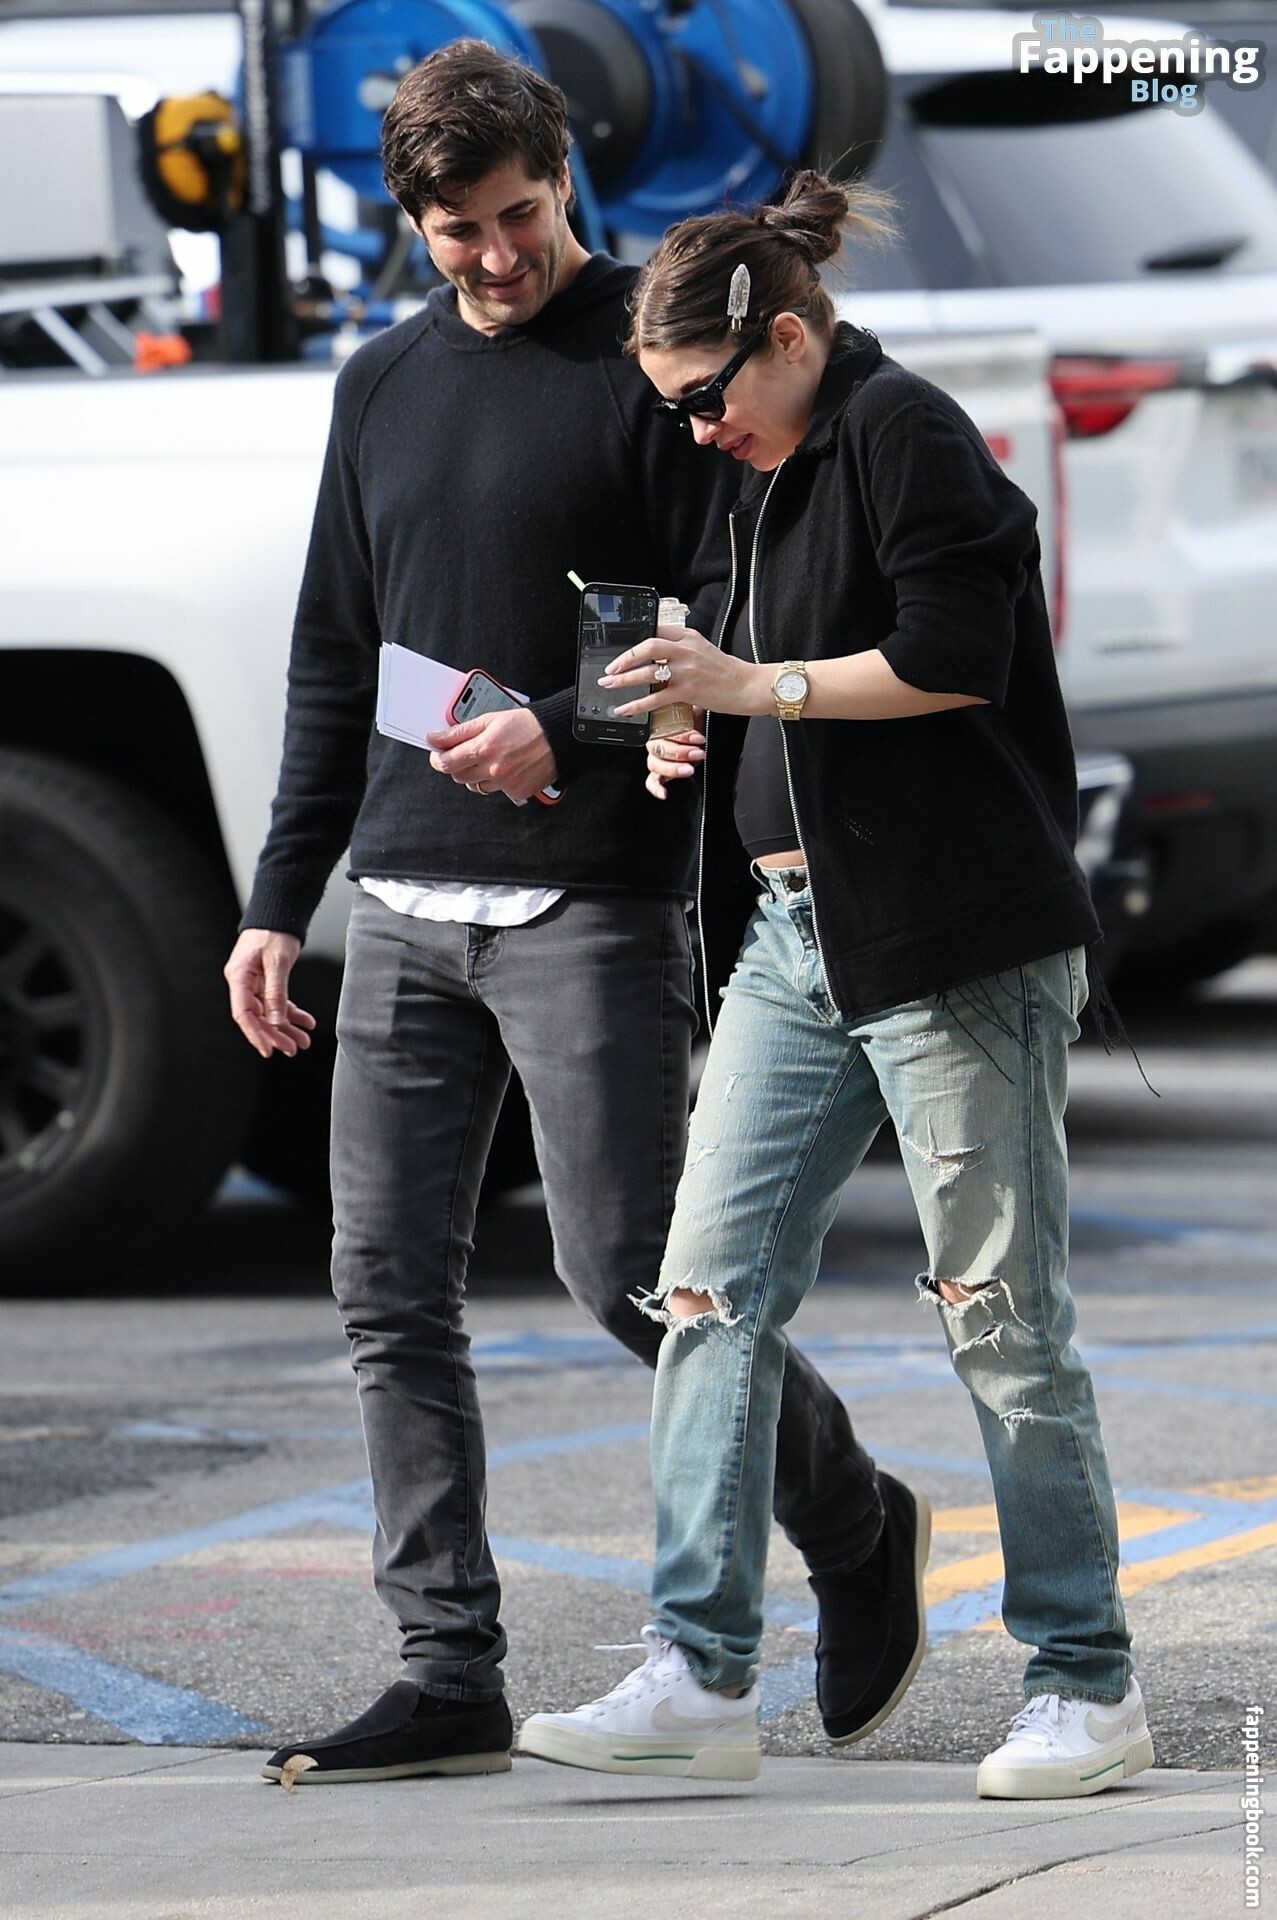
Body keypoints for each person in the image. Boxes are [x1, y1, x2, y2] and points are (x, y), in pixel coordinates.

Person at [223, 50, 928, 1787]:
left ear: (562, 179)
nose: (494, 255)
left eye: (518, 214)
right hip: (398, 894)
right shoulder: (382, 382)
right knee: (386, 1294)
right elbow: (334, 656)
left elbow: (727, 609)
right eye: (456, 229)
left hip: (591, 894)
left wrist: (567, 720)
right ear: (409, 221)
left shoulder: (651, 357)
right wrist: (275, 901)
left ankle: (852, 1521)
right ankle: (445, 1667)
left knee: (634, 1278)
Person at [518, 170, 1156, 1799]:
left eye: (703, 398)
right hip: (797, 943)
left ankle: (1084, 1683)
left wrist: (752, 684)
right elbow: (759, 672)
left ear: (787, 340)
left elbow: (950, 655)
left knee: (999, 1317)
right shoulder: (762, 468)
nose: (693, 430)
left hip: (952, 942)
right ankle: (698, 1672)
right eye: (673, 409)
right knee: (703, 1291)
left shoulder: (898, 432)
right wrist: (692, 717)